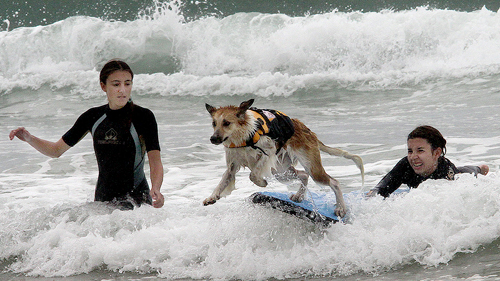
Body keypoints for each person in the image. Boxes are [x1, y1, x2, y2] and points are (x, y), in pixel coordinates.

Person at [9, 59, 164, 209]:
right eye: (116, 84)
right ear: (103, 86)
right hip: (102, 204)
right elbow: (55, 151)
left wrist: (156, 188)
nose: (122, 90)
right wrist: (29, 138)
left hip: (137, 204)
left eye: (127, 83)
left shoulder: (143, 117)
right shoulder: (93, 117)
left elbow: (155, 160)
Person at [367, 125, 489, 197]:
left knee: (468, 173)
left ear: (436, 153)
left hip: (456, 172)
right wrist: (371, 196)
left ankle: (479, 168)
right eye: (410, 151)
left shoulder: (446, 171)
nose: (413, 157)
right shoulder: (405, 165)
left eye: (420, 150)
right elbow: (380, 189)